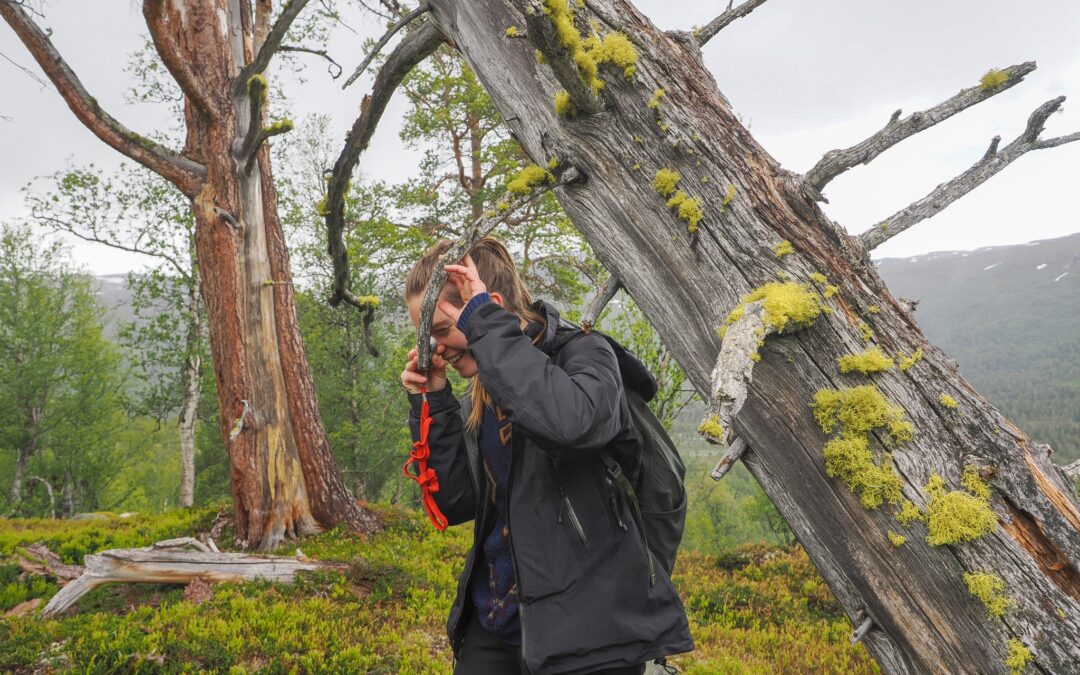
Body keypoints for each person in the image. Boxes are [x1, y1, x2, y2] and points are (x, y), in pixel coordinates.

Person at [401, 237, 693, 674]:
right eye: (426, 336)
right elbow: (456, 503)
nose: (434, 348)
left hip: (593, 634)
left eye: (440, 331)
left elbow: (571, 425)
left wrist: (485, 328)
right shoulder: (483, 396)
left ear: (488, 305)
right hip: (498, 624)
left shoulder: (585, 355)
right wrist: (435, 402)